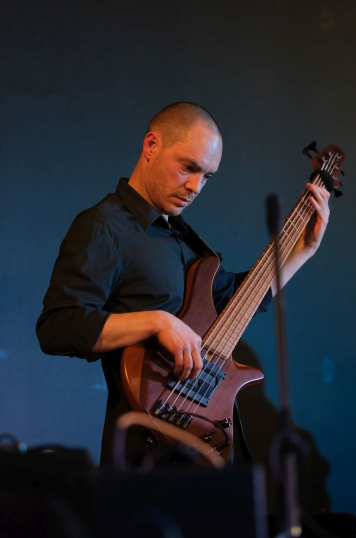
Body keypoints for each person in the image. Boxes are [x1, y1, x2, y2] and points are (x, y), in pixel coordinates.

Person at [36, 102, 330, 465]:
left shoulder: (180, 238)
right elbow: (57, 327)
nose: (195, 186)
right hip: (144, 451)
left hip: (205, 441)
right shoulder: (103, 227)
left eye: (207, 176)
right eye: (188, 167)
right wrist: (157, 322)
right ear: (151, 145)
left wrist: (302, 251)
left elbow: (236, 302)